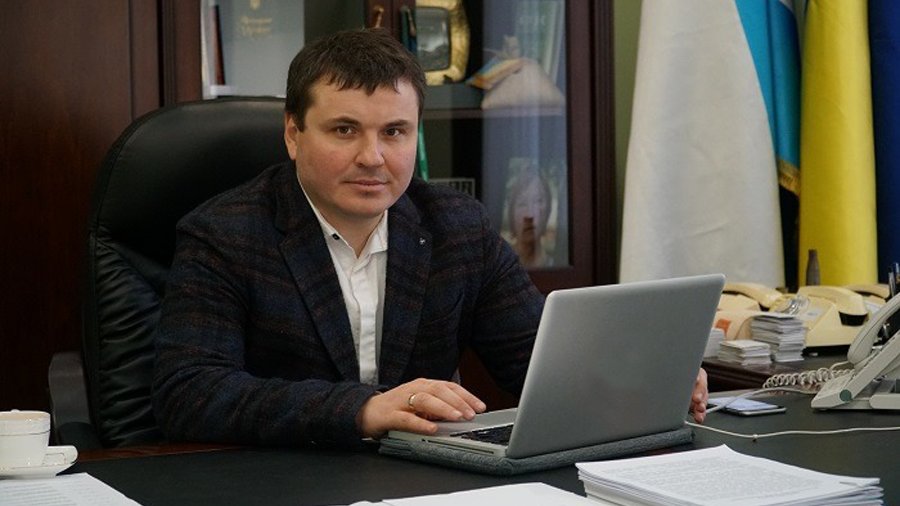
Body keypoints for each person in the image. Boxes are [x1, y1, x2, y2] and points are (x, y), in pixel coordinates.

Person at [152, 28, 709, 449]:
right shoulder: (225, 234)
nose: (373, 157)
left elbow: (538, 362)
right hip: (279, 481)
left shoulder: (456, 227)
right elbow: (190, 393)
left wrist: (640, 381)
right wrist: (362, 410)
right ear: (294, 134)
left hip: (422, 482)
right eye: (345, 130)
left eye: (394, 132)